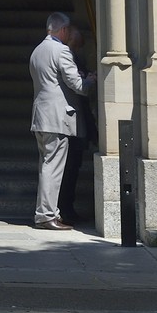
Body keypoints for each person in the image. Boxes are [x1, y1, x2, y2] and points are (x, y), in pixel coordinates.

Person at [29, 11, 95, 231]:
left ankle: (46, 213)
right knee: (53, 168)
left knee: (47, 166)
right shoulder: (61, 50)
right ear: (64, 30)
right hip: (57, 118)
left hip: (42, 117)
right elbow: (77, 84)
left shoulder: (38, 50)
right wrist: (89, 81)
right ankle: (47, 215)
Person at [58, 25, 98, 226]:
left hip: (77, 122)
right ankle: (65, 209)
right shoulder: (66, 56)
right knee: (69, 168)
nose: (79, 48)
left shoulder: (70, 56)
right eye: (79, 44)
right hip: (72, 122)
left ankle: (66, 208)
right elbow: (76, 85)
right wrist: (88, 81)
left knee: (71, 168)